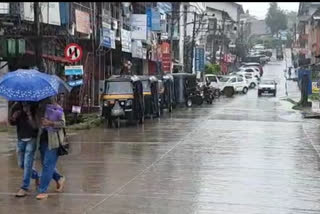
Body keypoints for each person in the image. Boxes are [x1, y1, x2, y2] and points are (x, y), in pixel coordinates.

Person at [35, 96, 66, 200]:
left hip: (53, 142)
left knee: (47, 165)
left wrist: (50, 123)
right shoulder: (39, 109)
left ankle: (42, 190)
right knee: (46, 164)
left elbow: (62, 123)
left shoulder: (57, 108)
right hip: (43, 141)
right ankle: (59, 178)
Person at [9, 102, 39, 197]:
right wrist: (13, 117)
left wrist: (29, 114)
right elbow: (11, 122)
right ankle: (36, 175)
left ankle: (24, 187)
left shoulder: (35, 106)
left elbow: (36, 126)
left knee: (27, 163)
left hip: (32, 138)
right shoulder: (16, 106)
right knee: (21, 164)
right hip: (21, 138)